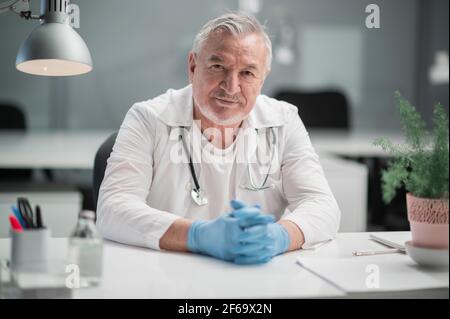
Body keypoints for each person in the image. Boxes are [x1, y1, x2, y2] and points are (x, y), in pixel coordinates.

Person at [96, 12, 340, 264]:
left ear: (262, 78)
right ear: (193, 66)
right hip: (166, 279)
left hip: (254, 280)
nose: (231, 87)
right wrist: (197, 236)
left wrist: (279, 236)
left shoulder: (283, 121)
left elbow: (322, 205)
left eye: (247, 73)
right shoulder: (148, 118)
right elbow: (112, 209)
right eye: (218, 67)